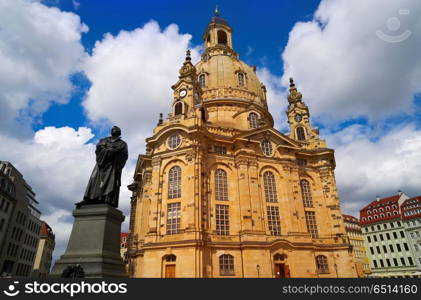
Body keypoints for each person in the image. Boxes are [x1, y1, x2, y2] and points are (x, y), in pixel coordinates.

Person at [76, 126, 128, 208]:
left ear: (119, 133)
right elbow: (99, 148)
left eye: (116, 130)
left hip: (112, 165)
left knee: (110, 182)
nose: (114, 131)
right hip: (101, 164)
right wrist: (108, 151)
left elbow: (124, 156)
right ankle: (89, 198)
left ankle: (106, 198)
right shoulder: (104, 140)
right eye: (112, 130)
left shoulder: (122, 144)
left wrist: (114, 153)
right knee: (93, 179)